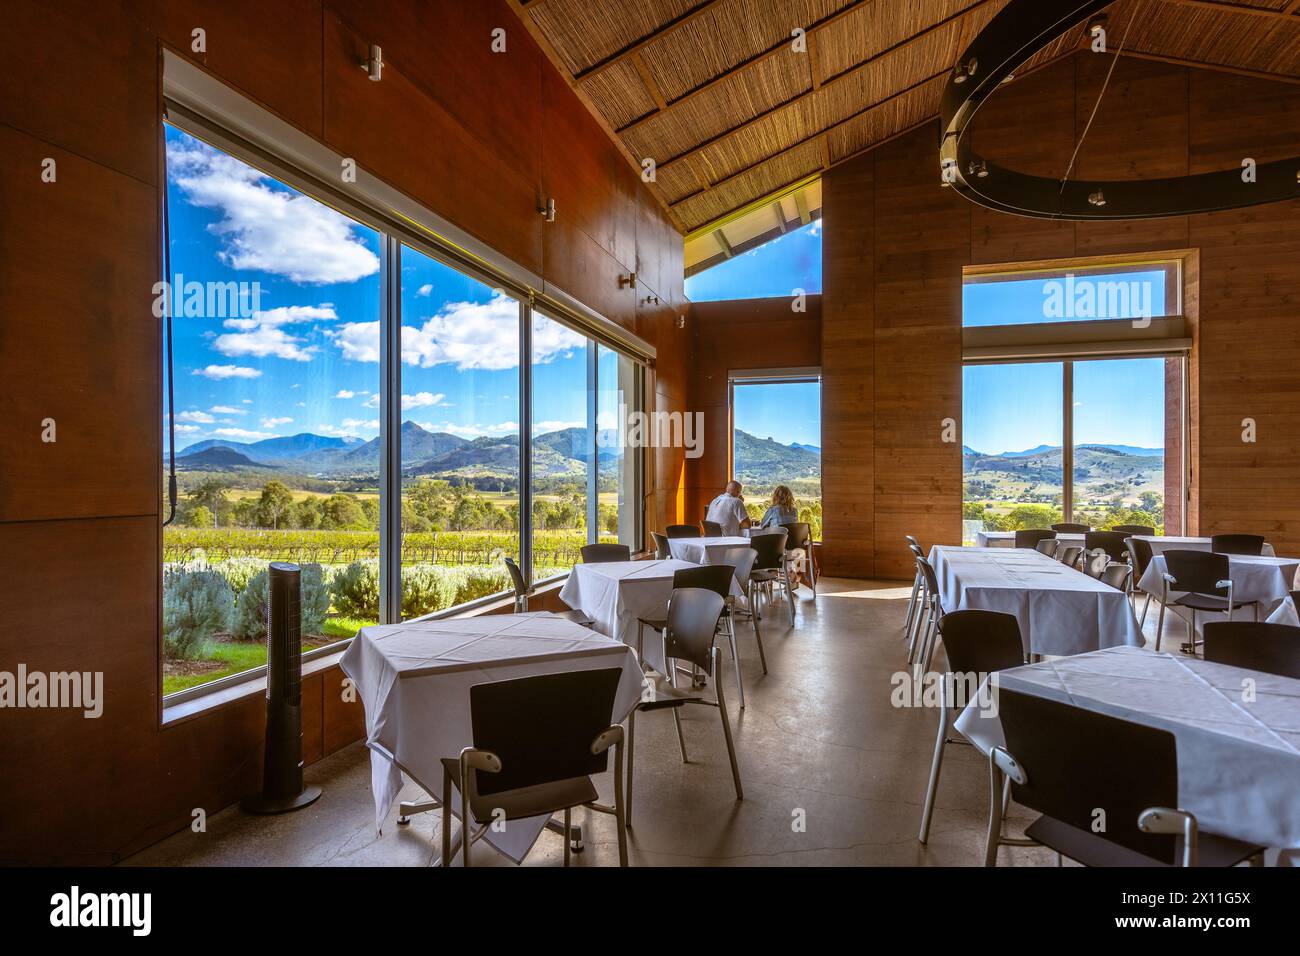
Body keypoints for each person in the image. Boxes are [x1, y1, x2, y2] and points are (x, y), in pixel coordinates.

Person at [760, 485, 808, 588]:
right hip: (794, 550)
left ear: (775, 496)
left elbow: (762, 525)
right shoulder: (794, 510)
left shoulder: (773, 510)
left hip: (778, 549)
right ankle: (791, 573)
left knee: (765, 548)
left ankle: (770, 576)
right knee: (781, 546)